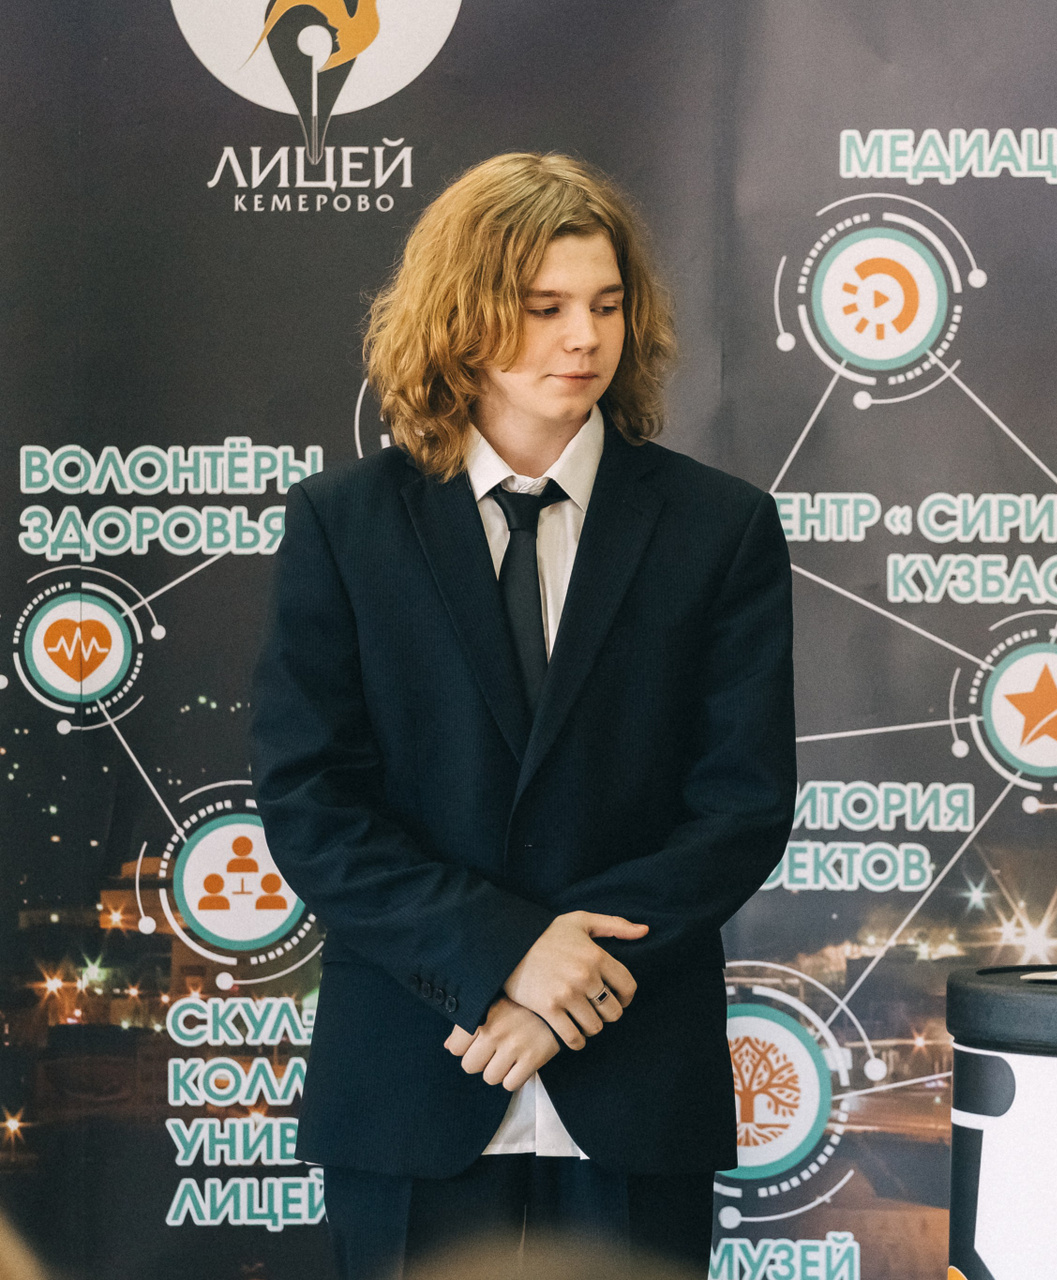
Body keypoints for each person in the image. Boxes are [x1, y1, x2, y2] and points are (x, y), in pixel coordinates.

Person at [250, 153, 795, 1277]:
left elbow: (739, 807)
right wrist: (504, 954)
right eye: (545, 308)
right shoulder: (344, 525)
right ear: (462, 318)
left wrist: (561, 995)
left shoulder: (722, 527)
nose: (583, 338)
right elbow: (313, 803)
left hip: (635, 1074)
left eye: (606, 304)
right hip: (416, 1070)